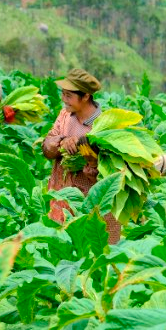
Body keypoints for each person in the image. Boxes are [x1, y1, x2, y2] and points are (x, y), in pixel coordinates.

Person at [42, 68, 121, 244]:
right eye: (63, 94)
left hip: (93, 210)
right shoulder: (65, 115)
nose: (63, 99)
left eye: (68, 95)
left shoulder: (105, 127)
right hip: (61, 202)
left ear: (85, 96)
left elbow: (115, 176)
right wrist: (62, 141)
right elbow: (47, 147)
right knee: (61, 254)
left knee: (95, 255)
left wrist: (92, 165)